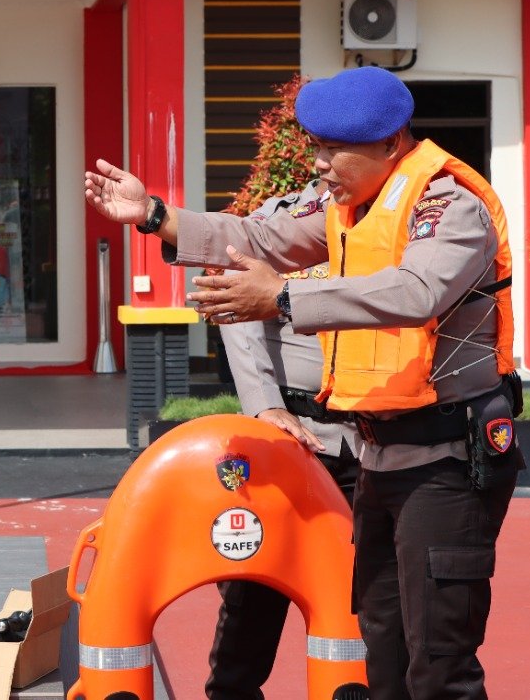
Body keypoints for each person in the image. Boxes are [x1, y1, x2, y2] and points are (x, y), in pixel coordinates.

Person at [84, 67, 521, 700]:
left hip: (446, 462)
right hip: (379, 456)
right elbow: (260, 237)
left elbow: (418, 291)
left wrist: (282, 298)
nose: (317, 163)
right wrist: (155, 214)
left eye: (331, 149)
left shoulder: (448, 208)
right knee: (382, 642)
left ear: (391, 144)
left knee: (440, 661)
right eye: (313, 146)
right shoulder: (344, 207)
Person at [207, 185, 361, 700]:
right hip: (289, 436)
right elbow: (236, 304)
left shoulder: (400, 221)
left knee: (369, 593)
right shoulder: (284, 220)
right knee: (255, 582)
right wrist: (264, 405)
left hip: (371, 440)